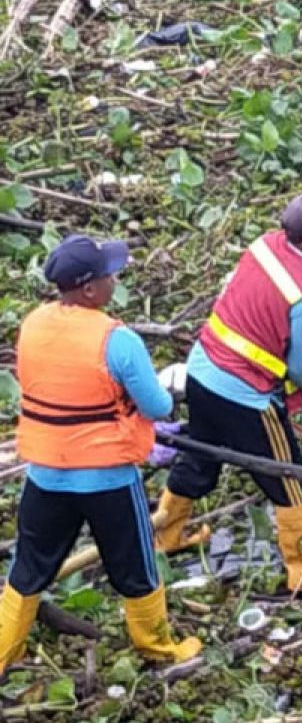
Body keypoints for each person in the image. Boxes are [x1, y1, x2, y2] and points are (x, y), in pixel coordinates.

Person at [1, 236, 201, 674]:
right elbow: (158, 407)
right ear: (90, 289)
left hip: (46, 472)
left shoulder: (32, 324)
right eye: (110, 275)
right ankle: (157, 648)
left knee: (28, 567)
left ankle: (3, 653)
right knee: (135, 566)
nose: (116, 280)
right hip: (107, 477)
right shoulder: (118, 340)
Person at [154, 195, 302, 592]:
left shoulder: (265, 246)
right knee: (289, 478)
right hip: (245, 394)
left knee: (200, 455)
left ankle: (167, 534)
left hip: (203, 370)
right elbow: (300, 367)